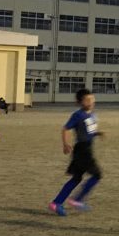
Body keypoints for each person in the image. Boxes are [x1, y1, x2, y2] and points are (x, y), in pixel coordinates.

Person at [49, 88, 103, 216]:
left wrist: (97, 133)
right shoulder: (78, 115)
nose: (91, 102)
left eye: (92, 99)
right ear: (80, 102)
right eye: (87, 100)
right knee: (97, 175)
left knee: (77, 178)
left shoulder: (92, 115)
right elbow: (65, 129)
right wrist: (65, 144)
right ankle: (77, 199)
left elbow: (88, 131)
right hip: (82, 150)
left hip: (86, 149)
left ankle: (56, 203)